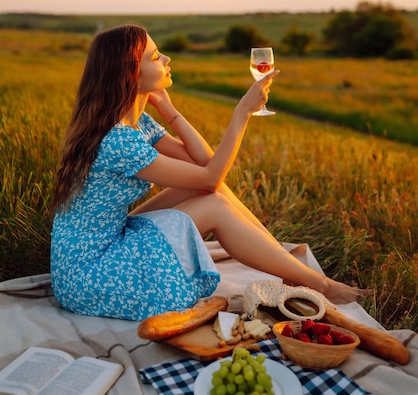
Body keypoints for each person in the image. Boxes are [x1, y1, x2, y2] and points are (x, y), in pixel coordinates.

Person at [50, 24, 363, 321]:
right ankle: (319, 284)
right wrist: (242, 113)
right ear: (132, 73)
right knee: (213, 201)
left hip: (107, 242)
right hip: (91, 275)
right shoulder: (118, 139)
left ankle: (287, 266)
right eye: (156, 56)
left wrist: (170, 111)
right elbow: (211, 174)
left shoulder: (136, 122)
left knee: (208, 193)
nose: (168, 59)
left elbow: (203, 163)